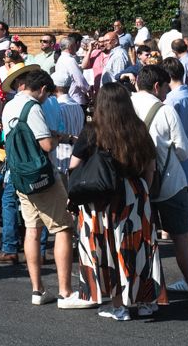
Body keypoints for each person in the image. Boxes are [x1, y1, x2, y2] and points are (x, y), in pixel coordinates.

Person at [68, 84, 162, 321]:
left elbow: (73, 166)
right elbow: (150, 167)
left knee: (109, 249)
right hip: (136, 192)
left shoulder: (93, 130)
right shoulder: (138, 128)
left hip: (103, 198)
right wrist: (143, 192)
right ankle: (144, 300)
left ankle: (119, 305)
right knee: (139, 247)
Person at [2, 70, 84, 307]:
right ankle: (66, 292)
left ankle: (38, 290)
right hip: (41, 175)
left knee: (32, 229)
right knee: (63, 227)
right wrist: (57, 137)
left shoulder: (9, 106)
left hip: (20, 175)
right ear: (43, 90)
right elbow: (46, 144)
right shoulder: (33, 108)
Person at [132, 65, 188, 307]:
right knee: (181, 237)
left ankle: (150, 292)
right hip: (169, 183)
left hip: (137, 183)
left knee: (144, 240)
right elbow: (185, 150)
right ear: (157, 86)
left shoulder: (126, 105)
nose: (167, 92)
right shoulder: (164, 110)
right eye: (165, 87)